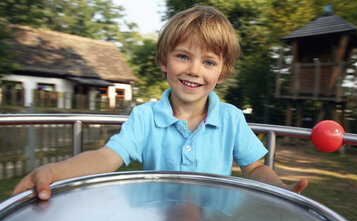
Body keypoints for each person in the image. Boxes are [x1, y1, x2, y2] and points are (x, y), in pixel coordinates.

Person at [12, 6, 308, 200]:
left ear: (222, 73)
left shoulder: (231, 118)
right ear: (163, 61)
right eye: (183, 56)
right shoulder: (144, 117)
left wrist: (281, 189)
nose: (194, 69)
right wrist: (54, 172)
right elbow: (106, 158)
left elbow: (255, 168)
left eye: (208, 62)